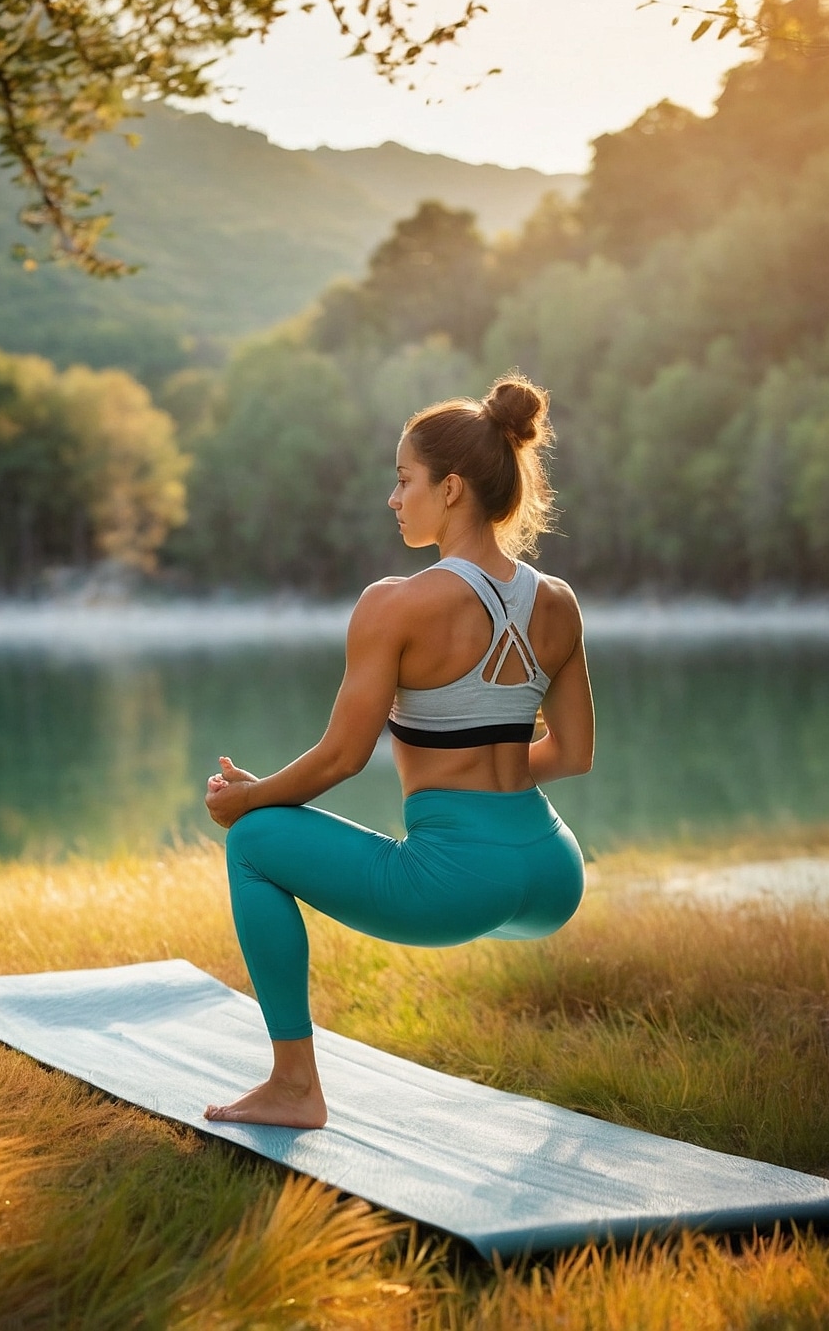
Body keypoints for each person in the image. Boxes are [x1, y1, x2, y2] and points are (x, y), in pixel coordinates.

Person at [202, 373, 594, 1128]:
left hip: (456, 885)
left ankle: (293, 1086)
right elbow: (572, 754)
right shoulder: (558, 601)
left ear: (450, 489)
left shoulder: (394, 604)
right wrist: (492, 778)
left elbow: (342, 757)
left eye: (402, 479)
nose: (393, 498)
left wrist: (248, 799)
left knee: (253, 841)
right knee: (276, 824)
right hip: (553, 874)